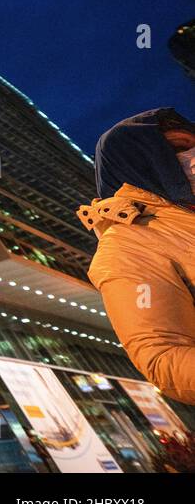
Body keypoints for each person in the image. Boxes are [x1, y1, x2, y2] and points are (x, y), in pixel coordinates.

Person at [79, 107, 195, 404]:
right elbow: (164, 358)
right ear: (141, 164)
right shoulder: (128, 247)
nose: (192, 157)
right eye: (181, 149)